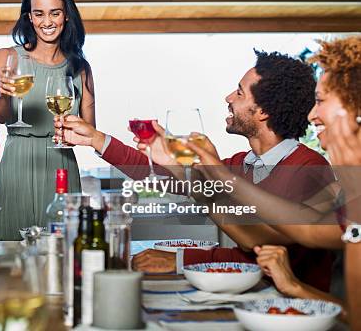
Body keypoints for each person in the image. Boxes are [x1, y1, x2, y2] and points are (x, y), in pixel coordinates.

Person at [57, 50, 335, 292]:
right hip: (245, 298)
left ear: (262, 111)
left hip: (292, 312)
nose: (228, 97)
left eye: (239, 92)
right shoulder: (242, 162)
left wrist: (181, 260)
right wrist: (95, 138)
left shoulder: (310, 168)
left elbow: (264, 252)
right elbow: (164, 177)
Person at [0, 0, 95, 240]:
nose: (47, 22)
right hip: (17, 162)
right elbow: (2, 117)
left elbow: (90, 130)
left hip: (61, 164)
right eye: (39, 14)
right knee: (8, 253)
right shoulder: (7, 56)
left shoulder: (80, 68)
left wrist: (69, 128)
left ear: (66, 15)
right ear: (30, 18)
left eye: (55, 13)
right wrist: (3, 94)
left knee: (63, 253)